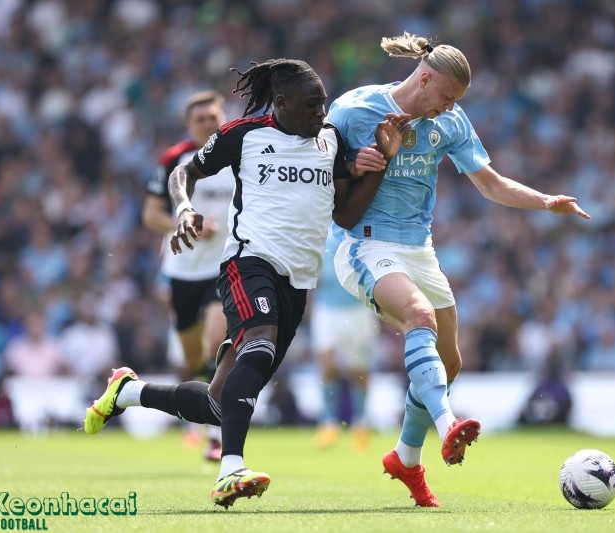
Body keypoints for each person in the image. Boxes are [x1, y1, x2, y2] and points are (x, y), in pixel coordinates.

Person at [83, 58, 409, 509]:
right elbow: (184, 173)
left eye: (324, 102)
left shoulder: (330, 140)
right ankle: (230, 468)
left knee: (221, 403)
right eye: (313, 105)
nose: (322, 111)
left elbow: (346, 214)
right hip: (248, 261)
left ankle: (128, 392)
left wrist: (379, 166)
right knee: (259, 345)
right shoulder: (244, 134)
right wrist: (182, 208)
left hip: (298, 282)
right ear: (281, 103)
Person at [326, 32, 590, 507]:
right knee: (419, 316)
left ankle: (405, 459)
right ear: (424, 78)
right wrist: (351, 162)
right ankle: (450, 426)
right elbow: (318, 168)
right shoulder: (355, 108)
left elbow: (490, 184)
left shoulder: (449, 121)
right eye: (447, 97)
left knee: (450, 364)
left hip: (418, 249)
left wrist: (545, 200)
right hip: (362, 245)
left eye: (457, 102)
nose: (450, 108)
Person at [142, 90, 234, 461]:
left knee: (216, 342)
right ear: (188, 125)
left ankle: (216, 435)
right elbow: (150, 216)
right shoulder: (173, 160)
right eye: (201, 119)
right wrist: (185, 223)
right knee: (193, 357)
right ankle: (200, 417)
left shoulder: (241, 153)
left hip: (225, 266)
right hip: (183, 271)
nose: (208, 124)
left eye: (213, 117)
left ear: (222, 117)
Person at [312, 228, 379, 452]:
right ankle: (329, 423)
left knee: (358, 370)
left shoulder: (361, 228)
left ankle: (361, 423)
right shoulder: (323, 228)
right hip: (327, 307)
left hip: (358, 308)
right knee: (327, 364)